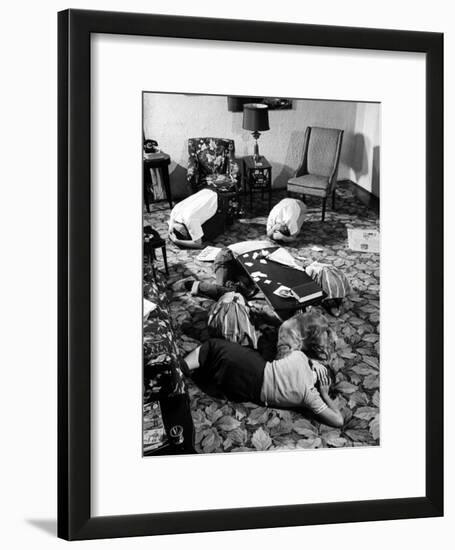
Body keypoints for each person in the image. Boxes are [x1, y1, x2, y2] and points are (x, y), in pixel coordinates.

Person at [180, 311, 343, 428]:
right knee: (248, 355)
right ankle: (195, 370)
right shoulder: (310, 396)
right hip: (247, 392)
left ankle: (181, 368)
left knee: (214, 345)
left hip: (255, 370)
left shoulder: (299, 358)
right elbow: (338, 421)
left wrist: (312, 362)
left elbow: (286, 334)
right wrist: (324, 394)